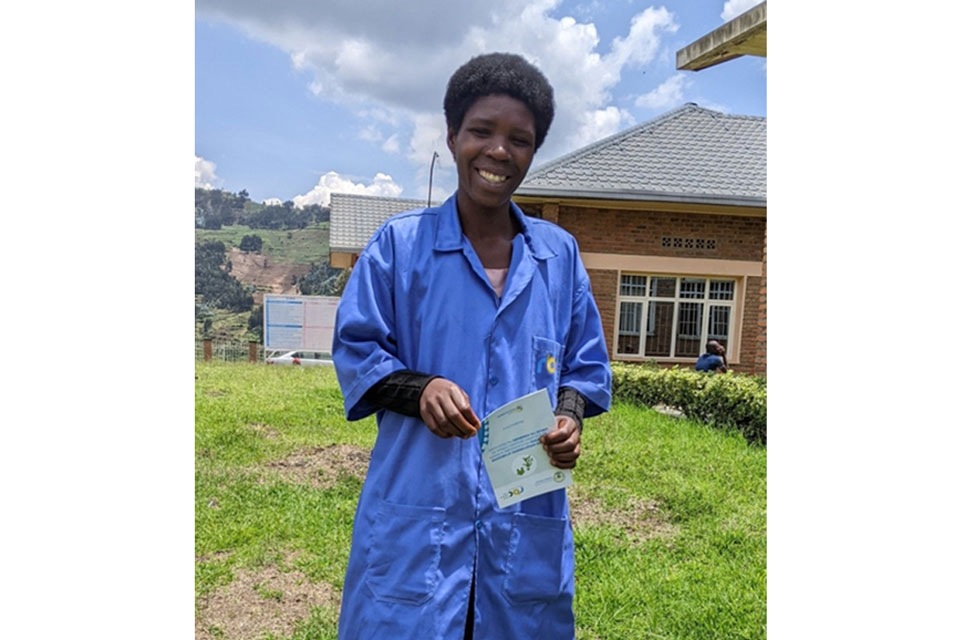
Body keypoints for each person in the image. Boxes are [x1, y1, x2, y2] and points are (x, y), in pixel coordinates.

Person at [331, 53, 611, 639]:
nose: (498, 151)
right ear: (452, 135)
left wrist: (568, 419)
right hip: (418, 522)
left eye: (520, 139)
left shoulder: (558, 257)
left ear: (533, 151)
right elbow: (358, 349)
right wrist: (420, 389)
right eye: (482, 131)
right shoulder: (399, 248)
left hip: (523, 523)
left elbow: (583, 367)